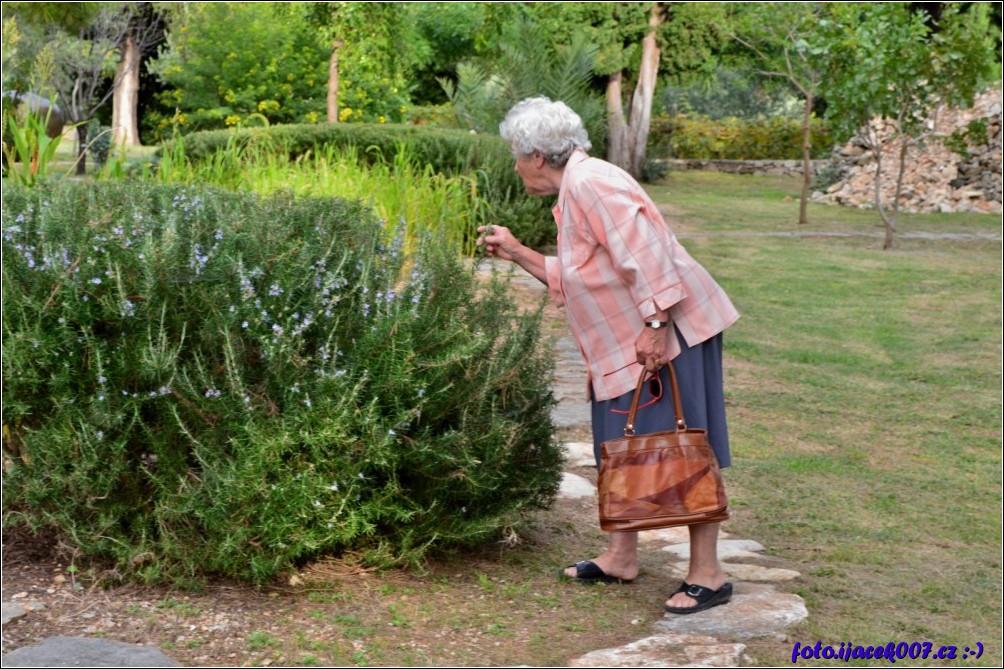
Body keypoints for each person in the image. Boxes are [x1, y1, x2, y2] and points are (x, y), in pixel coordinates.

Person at [477, 97, 740, 614]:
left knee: (686, 448)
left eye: (515, 155)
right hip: (630, 341)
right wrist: (517, 251)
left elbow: (647, 254)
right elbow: (585, 275)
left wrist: (656, 326)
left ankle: (708, 573)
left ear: (536, 156)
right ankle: (621, 556)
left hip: (669, 334)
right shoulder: (578, 187)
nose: (515, 166)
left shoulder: (592, 183)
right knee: (619, 443)